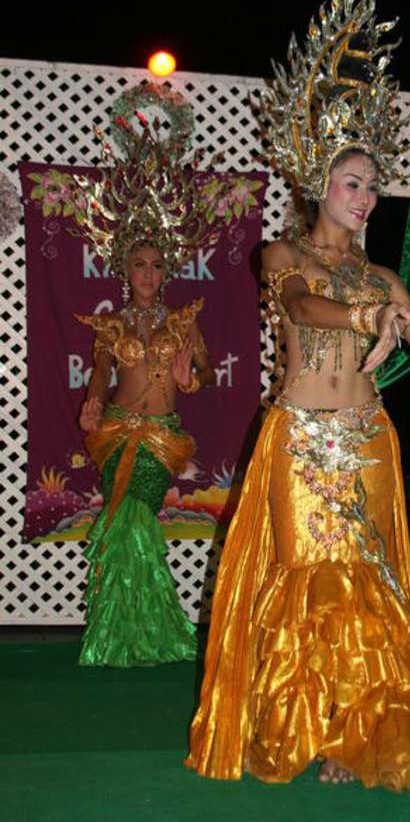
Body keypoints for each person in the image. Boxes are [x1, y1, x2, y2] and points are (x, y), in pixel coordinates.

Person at [186, 0, 410, 791]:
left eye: (373, 185)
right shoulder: (283, 256)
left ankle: (348, 736)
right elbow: (302, 308)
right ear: (319, 184)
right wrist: (366, 319)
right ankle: (295, 726)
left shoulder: (384, 275)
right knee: (307, 583)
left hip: (368, 440)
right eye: (352, 183)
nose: (366, 197)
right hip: (301, 442)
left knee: (365, 590)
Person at [69, 83, 221, 667]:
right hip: (116, 432)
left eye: (157, 265)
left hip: (161, 437)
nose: (149, 273)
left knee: (136, 516)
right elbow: (101, 375)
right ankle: (118, 635)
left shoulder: (185, 321)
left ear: (167, 271)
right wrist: (91, 403)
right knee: (122, 521)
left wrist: (193, 379)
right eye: (139, 264)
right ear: (125, 270)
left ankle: (149, 632)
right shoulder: (111, 325)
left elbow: (206, 372)